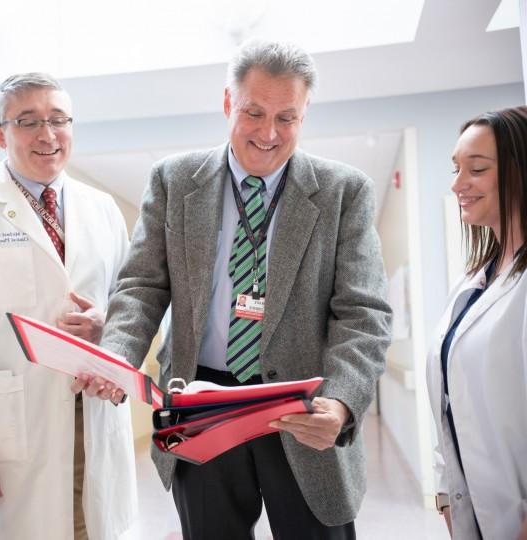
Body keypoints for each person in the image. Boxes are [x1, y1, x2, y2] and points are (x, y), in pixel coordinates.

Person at [78, 39, 392, 539]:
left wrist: (343, 402)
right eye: (254, 112)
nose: (269, 133)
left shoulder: (343, 191)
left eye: (286, 118)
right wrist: (116, 355)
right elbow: (141, 285)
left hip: (302, 406)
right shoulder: (175, 181)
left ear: (305, 113)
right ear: (228, 103)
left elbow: (363, 312)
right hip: (202, 405)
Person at [0, 72, 137, 540]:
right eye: (28, 121)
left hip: (95, 412)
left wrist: (108, 324)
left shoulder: (101, 208)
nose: (47, 134)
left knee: (94, 527)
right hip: (10, 432)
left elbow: (131, 302)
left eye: (58, 119)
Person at [427, 106, 527, 540]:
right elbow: (450, 400)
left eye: (477, 169)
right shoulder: (474, 281)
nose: (457, 185)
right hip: (474, 517)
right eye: (456, 168)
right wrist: (446, 495)